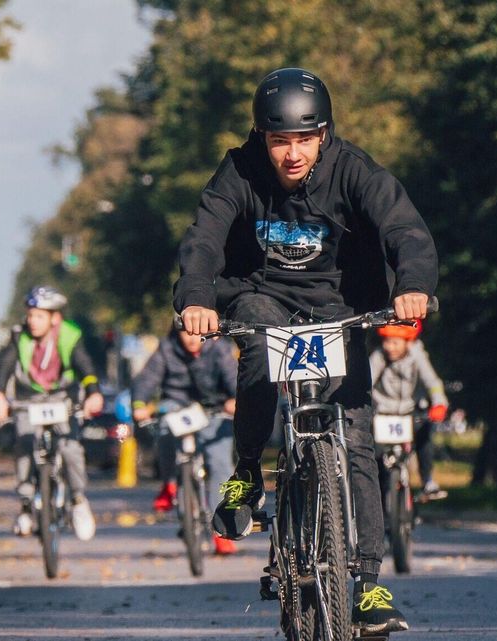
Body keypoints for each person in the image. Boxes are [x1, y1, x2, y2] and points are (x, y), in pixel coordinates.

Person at [175, 68, 437, 634]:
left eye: (304, 139)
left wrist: (412, 284)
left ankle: (366, 583)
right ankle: (247, 473)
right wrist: (196, 297)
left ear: (324, 134)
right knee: (261, 351)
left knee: (359, 438)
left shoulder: (354, 171)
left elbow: (405, 230)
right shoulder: (239, 171)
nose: (291, 154)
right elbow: (203, 239)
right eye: (278, 141)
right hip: (260, 295)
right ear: (261, 138)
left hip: (339, 309)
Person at [0, 286, 102, 542]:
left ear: (55, 318)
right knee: (25, 442)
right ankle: (27, 505)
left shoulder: (69, 336)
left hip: (62, 399)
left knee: (70, 447)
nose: (32, 321)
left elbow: (84, 365)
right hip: (28, 400)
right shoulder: (20, 337)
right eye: (30, 315)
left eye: (39, 316)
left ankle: (79, 500)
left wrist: (93, 392)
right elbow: (4, 364)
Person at [131, 323, 238, 555]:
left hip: (215, 410)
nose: (191, 338)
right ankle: (169, 481)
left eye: (196, 332)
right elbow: (147, 379)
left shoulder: (219, 348)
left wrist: (235, 399)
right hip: (177, 407)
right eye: (185, 332)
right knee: (165, 429)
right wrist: (139, 403)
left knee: (220, 464)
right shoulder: (166, 349)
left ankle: (222, 529)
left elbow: (233, 378)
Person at [368, 323, 448, 496]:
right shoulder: (379, 357)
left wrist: (439, 403)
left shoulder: (417, 355)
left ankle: (427, 481)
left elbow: (432, 382)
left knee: (425, 436)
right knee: (374, 452)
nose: (390, 347)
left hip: (410, 411)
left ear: (407, 341)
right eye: (387, 342)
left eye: (395, 343)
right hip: (383, 413)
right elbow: (366, 383)